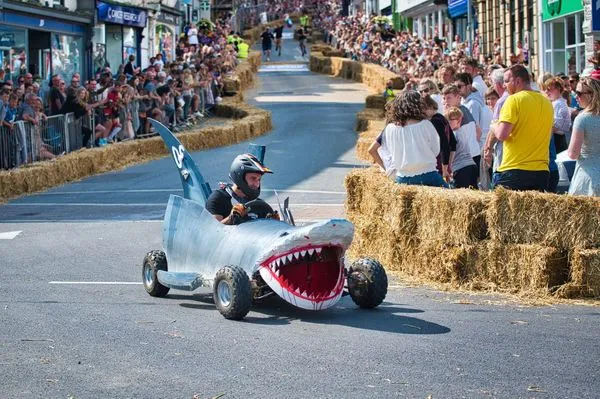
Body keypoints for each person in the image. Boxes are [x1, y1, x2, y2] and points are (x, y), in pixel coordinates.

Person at [493, 65, 554, 192]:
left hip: (515, 170)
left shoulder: (513, 100)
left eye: (506, 81)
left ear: (518, 81)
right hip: (541, 171)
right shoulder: (547, 102)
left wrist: (494, 125)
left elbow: (501, 135)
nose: (504, 85)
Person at [368, 91, 447, 188]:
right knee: (451, 196)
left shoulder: (389, 128)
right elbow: (436, 150)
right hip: (428, 174)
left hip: (402, 178)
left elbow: (384, 151)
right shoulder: (425, 124)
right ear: (418, 105)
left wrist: (387, 169)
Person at [206, 153, 278, 225]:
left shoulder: (259, 204)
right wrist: (231, 218)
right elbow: (212, 232)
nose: (257, 184)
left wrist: (274, 222)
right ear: (239, 176)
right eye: (253, 178)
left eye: (259, 179)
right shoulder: (219, 198)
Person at [567, 77, 600, 196]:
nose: (576, 96)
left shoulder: (582, 119)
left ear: (592, 95)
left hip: (588, 179)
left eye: (579, 93)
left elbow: (572, 154)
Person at [445, 107, 478, 188]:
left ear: (459, 120)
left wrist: (447, 168)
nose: (448, 122)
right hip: (471, 165)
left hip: (460, 168)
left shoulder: (453, 135)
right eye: (447, 120)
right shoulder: (463, 132)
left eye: (451, 120)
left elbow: (451, 153)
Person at [543, 77, 571, 154]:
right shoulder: (557, 102)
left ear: (557, 89)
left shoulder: (559, 103)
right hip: (556, 138)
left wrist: (545, 138)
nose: (546, 92)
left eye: (549, 89)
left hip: (556, 139)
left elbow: (555, 126)